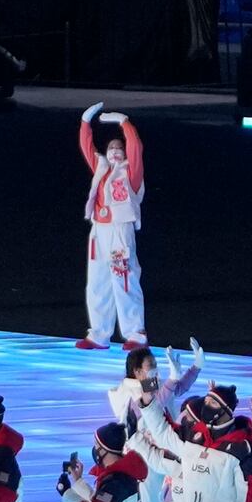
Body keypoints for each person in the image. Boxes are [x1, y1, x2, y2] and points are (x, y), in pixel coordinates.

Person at [79, 106, 150, 347]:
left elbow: (136, 147)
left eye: (119, 149)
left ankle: (135, 332)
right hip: (99, 230)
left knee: (124, 279)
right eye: (111, 149)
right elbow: (87, 148)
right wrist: (85, 122)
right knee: (98, 280)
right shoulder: (100, 169)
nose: (115, 152)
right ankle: (99, 333)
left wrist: (123, 121)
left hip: (120, 230)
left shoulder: (131, 172)